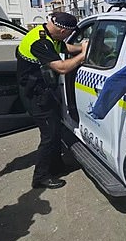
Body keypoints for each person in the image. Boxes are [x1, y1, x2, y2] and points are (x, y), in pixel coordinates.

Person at [16, 11, 87, 189]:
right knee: (49, 136)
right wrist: (84, 56)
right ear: (63, 31)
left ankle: (56, 166)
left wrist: (83, 46)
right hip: (35, 95)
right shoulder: (40, 42)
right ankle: (40, 177)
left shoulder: (48, 33)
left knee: (56, 131)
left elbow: (64, 48)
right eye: (68, 34)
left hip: (43, 91)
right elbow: (62, 68)